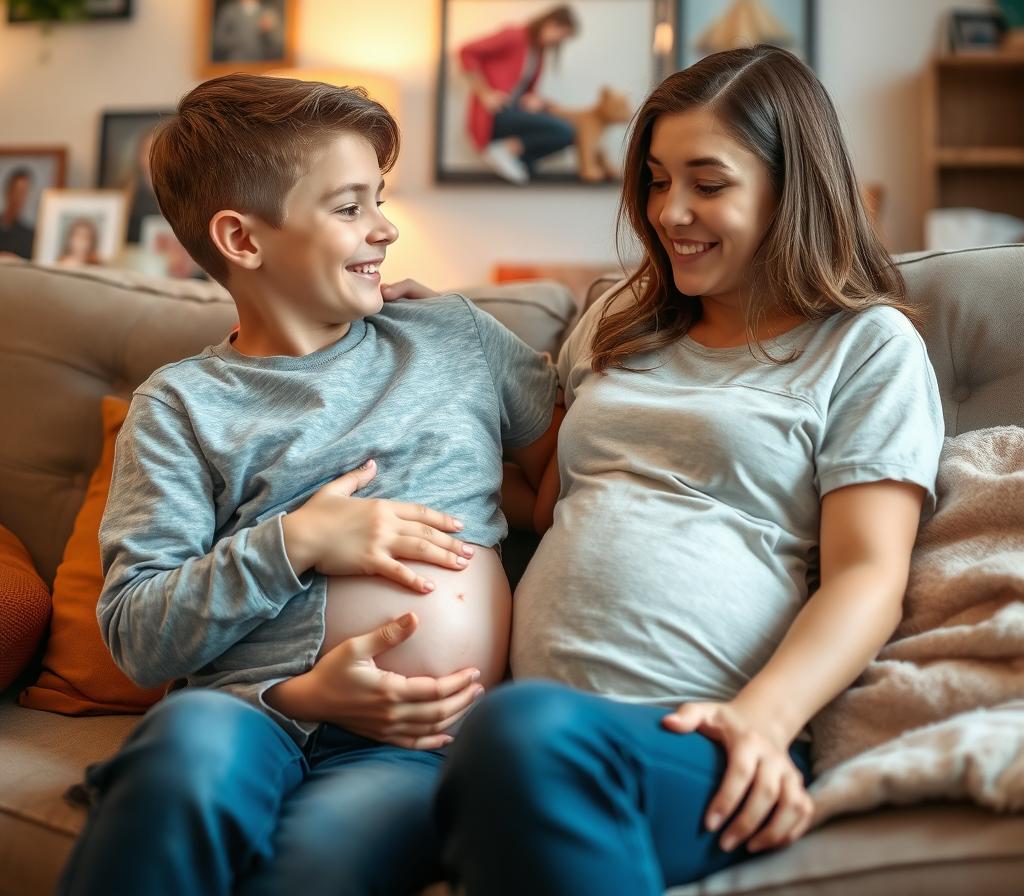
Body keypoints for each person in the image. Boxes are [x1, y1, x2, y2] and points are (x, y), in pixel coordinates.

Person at [434, 45, 945, 894]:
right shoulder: (617, 325)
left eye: (708, 184)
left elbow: (867, 575)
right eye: (657, 180)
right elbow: (542, 505)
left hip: (702, 737)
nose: (671, 212)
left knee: (517, 737)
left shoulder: (866, 347)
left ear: (791, 188)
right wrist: (417, 338)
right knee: (506, 743)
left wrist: (761, 724)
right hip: (532, 727)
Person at [57, 73, 558, 896]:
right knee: (186, 756)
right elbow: (139, 634)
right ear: (242, 240)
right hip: (249, 712)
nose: (386, 228)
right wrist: (298, 542)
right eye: (351, 206)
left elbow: (571, 477)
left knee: (318, 868)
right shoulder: (183, 405)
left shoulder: (454, 337)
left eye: (380, 200)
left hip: (408, 748)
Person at [459, 5, 578, 184]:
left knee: (568, 133)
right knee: (565, 130)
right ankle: (503, 151)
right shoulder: (514, 36)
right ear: (551, 23)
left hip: (515, 110)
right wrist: (485, 94)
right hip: (497, 114)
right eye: (560, 36)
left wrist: (535, 100)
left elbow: (523, 89)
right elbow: (466, 51)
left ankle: (508, 152)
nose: (557, 43)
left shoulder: (537, 52)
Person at [212, 0, 284, 63]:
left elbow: (278, 45)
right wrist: (242, 39)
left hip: (261, 65)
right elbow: (219, 39)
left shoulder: (269, 12)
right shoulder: (229, 10)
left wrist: (267, 33)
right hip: (234, 66)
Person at [0, 166, 36, 259]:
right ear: (8, 191)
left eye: (24, 192)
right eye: (17, 191)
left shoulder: (29, 235)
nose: (19, 198)